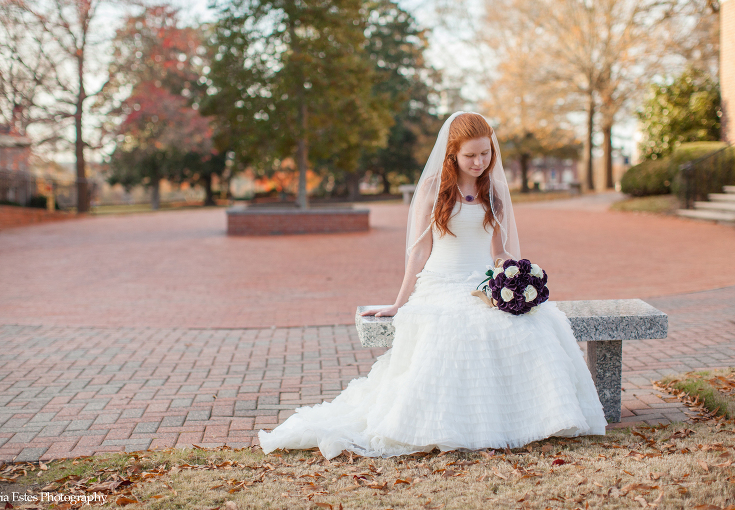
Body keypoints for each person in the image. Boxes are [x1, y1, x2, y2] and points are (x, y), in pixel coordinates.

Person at [258, 112, 607, 459]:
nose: (479, 161)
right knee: (457, 326)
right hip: (440, 282)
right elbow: (419, 251)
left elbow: (499, 251)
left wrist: (513, 277)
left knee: (533, 322)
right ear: (452, 153)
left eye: (485, 154)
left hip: (481, 283)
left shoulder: (495, 192)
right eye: (470, 155)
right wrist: (398, 303)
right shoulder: (434, 190)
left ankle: (535, 418)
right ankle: (455, 424)